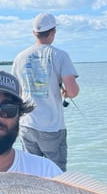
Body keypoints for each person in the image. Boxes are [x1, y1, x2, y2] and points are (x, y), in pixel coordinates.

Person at [12, 12, 80, 171]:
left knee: (32, 173)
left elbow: (17, 93)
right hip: (52, 127)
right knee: (56, 176)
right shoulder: (61, 55)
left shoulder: (20, 57)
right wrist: (66, 93)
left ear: (34, 33)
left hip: (27, 126)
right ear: (53, 32)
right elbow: (73, 91)